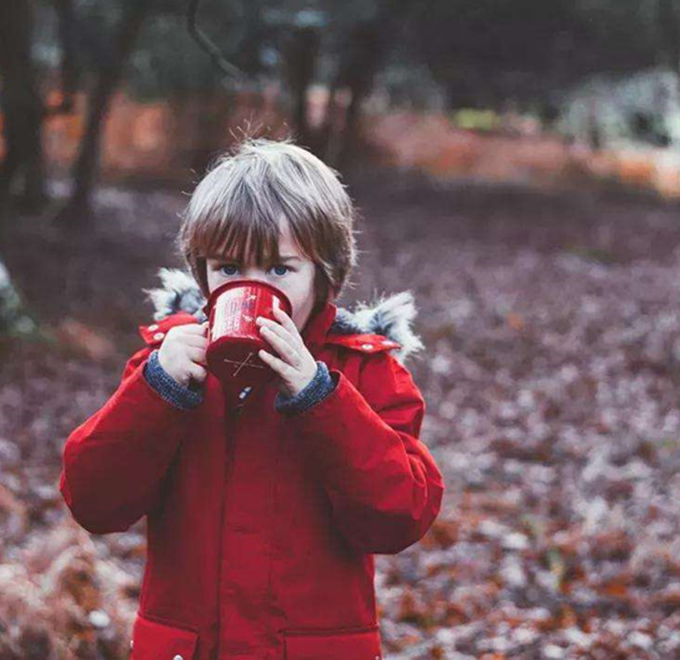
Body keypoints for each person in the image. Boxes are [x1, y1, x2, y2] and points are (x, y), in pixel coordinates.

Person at [58, 136, 445, 660]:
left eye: (280, 269)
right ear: (203, 272)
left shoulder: (362, 371)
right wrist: (159, 389)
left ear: (324, 273)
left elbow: (399, 516)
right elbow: (93, 500)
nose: (252, 286)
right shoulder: (169, 365)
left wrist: (319, 398)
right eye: (229, 269)